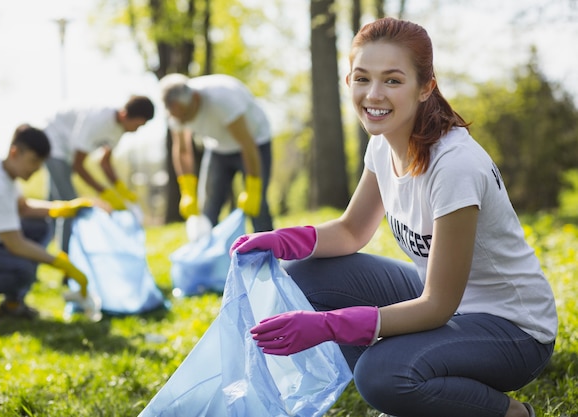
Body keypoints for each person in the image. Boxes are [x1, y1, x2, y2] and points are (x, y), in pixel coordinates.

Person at [231, 17, 556, 417]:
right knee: (308, 274)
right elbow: (351, 231)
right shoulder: (382, 146)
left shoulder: (455, 166)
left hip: (512, 331)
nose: (373, 94)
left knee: (381, 376)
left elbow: (437, 305)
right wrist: (282, 240)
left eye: (392, 80)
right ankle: (412, 386)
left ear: (425, 88)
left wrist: (331, 325)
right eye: (362, 78)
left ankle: (508, 412)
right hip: (439, 303)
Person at [0, 124, 91, 331]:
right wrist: (62, 264)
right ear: (15, 152)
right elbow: (15, 244)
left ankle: (12, 305)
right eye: (34, 161)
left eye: (41, 163)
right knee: (22, 269)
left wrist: (60, 208)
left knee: (38, 228)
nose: (36, 169)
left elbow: (22, 208)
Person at [158, 73, 274, 232]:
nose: (182, 122)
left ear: (196, 99)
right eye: (178, 119)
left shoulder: (222, 99)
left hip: (255, 143)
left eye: (185, 116)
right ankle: (211, 252)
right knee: (209, 206)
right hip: (217, 147)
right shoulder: (177, 111)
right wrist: (187, 191)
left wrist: (253, 187)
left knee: (257, 205)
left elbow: (246, 143)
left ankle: (267, 250)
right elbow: (183, 150)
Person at [43, 95, 155, 253]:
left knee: (53, 205)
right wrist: (104, 192)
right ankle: (66, 262)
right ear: (124, 115)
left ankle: (40, 250)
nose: (135, 131)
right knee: (70, 205)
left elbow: (104, 162)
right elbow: (79, 165)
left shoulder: (120, 129)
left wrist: (120, 189)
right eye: (136, 125)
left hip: (68, 154)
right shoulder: (99, 120)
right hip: (54, 145)